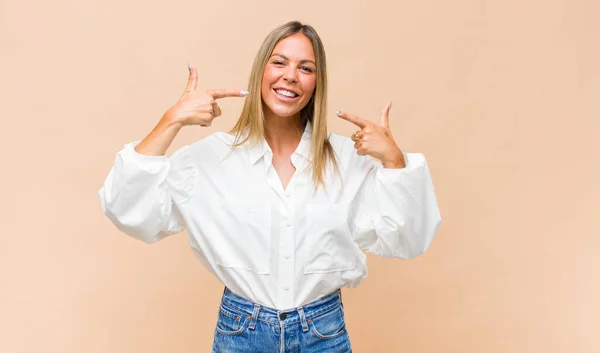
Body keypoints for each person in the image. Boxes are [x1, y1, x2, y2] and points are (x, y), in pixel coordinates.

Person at [98, 20, 441, 353]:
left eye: (305, 68)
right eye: (279, 62)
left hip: (323, 332)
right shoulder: (210, 158)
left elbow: (406, 240)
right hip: (241, 333)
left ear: (316, 84)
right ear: (261, 70)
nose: (290, 75)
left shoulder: (346, 160)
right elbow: (131, 212)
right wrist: (171, 120)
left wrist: (395, 162)